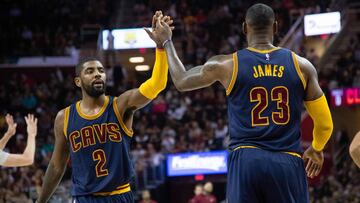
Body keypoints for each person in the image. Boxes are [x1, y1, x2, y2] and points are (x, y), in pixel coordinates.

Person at [152, 3, 333, 203]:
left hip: (246, 159)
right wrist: (316, 149)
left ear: (245, 28)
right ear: (275, 27)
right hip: (287, 161)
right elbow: (325, 124)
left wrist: (166, 41)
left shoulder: (227, 64)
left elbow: (181, 80)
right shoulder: (302, 66)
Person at [36, 12, 174, 203]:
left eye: (101, 70)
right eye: (90, 71)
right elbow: (57, 165)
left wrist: (160, 46)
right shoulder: (64, 117)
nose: (98, 74)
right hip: (84, 198)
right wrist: (40, 201)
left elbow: (157, 84)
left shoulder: (120, 105)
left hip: (119, 195)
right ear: (78, 81)